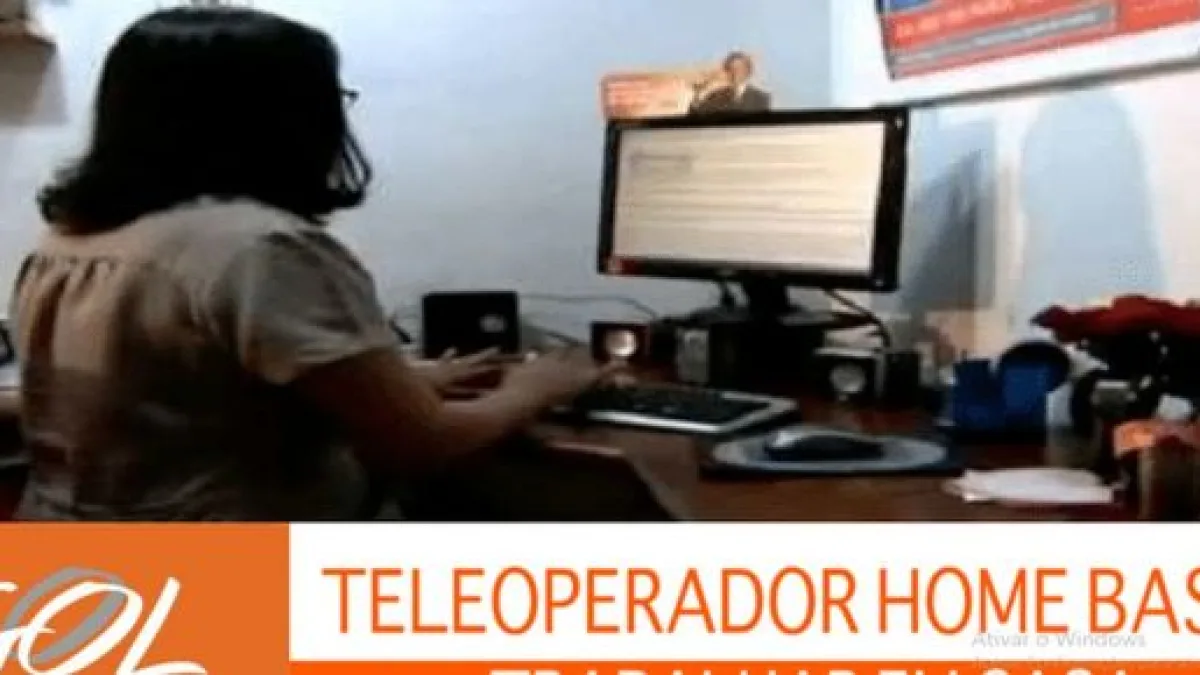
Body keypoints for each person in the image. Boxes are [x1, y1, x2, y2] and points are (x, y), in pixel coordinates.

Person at [9, 7, 613, 521]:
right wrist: (534, 389)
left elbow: (179, 403)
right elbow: (421, 445)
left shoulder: (66, 242)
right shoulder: (261, 247)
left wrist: (402, 385)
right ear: (284, 117)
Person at [690, 51, 772, 115]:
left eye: (739, 68)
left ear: (748, 71)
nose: (735, 73)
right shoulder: (716, 96)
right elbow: (697, 116)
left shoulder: (761, 98)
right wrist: (700, 94)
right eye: (731, 69)